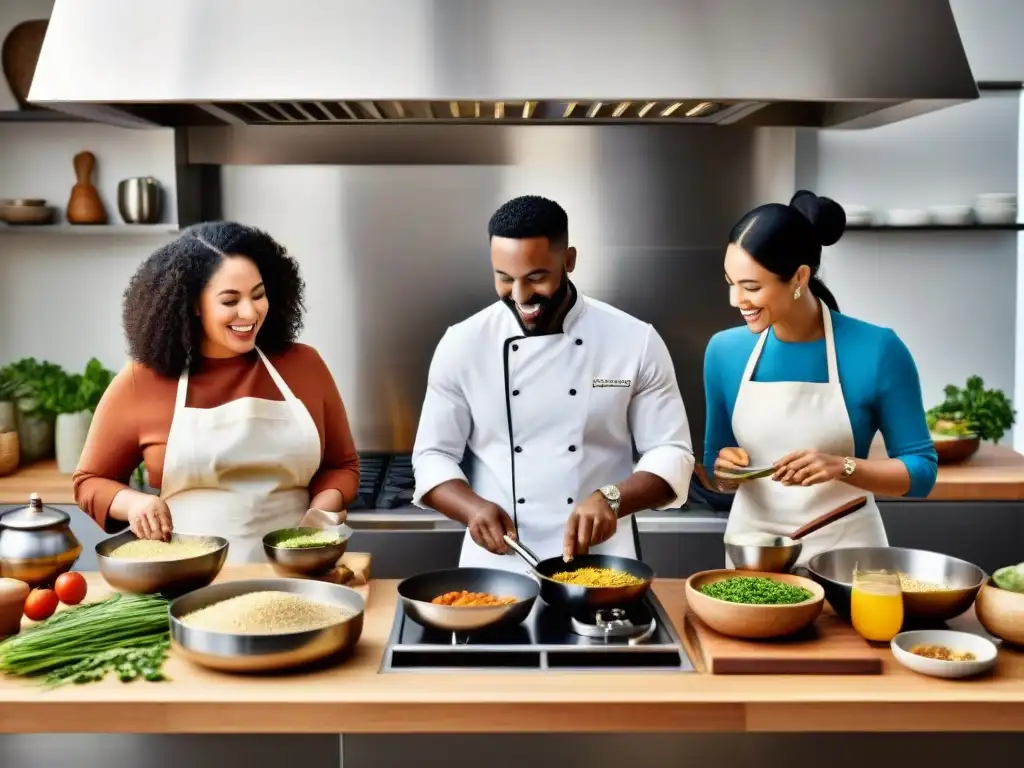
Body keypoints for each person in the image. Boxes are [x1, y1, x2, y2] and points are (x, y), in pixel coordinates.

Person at [411, 195, 695, 571]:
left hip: (604, 562)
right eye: (504, 278)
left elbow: (671, 452)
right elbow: (432, 455)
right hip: (497, 565)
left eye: (536, 277)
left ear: (569, 260)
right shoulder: (463, 343)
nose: (519, 296)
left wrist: (611, 498)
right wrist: (473, 508)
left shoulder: (634, 340)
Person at [73, 222, 360, 564]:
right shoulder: (142, 381)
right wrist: (134, 503)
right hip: (186, 577)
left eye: (258, 295)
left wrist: (322, 513)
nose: (250, 313)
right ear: (194, 304)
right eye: (230, 300)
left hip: (297, 571)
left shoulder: (304, 366)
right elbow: (89, 481)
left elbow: (341, 465)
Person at [703, 190, 938, 566]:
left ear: (799, 277)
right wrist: (725, 473)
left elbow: (922, 471)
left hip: (847, 561)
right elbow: (714, 461)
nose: (736, 300)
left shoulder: (878, 350)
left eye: (751, 287)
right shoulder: (723, 353)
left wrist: (844, 466)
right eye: (730, 282)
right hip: (754, 560)